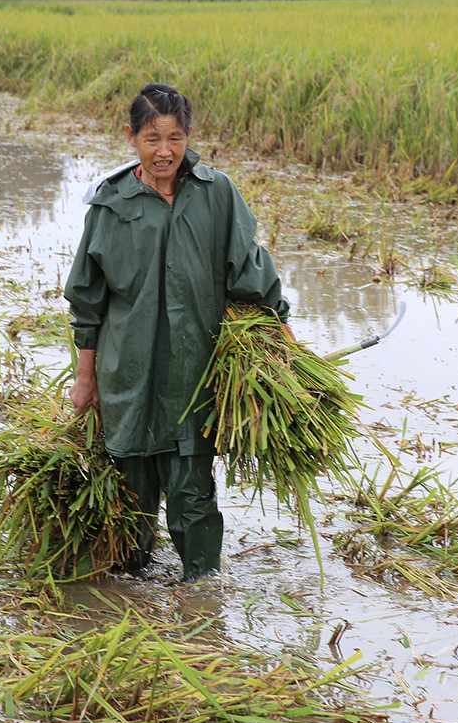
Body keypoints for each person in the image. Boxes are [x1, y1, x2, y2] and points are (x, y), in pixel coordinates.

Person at [64, 83, 290, 583]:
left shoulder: (217, 194)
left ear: (189, 136)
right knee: (131, 500)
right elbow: (88, 300)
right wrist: (86, 377)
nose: (163, 150)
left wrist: (284, 343)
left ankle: (202, 598)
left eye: (174, 137)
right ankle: (130, 597)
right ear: (131, 137)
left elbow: (252, 273)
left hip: (193, 375)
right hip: (128, 375)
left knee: (193, 495)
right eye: (151, 138)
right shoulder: (110, 204)